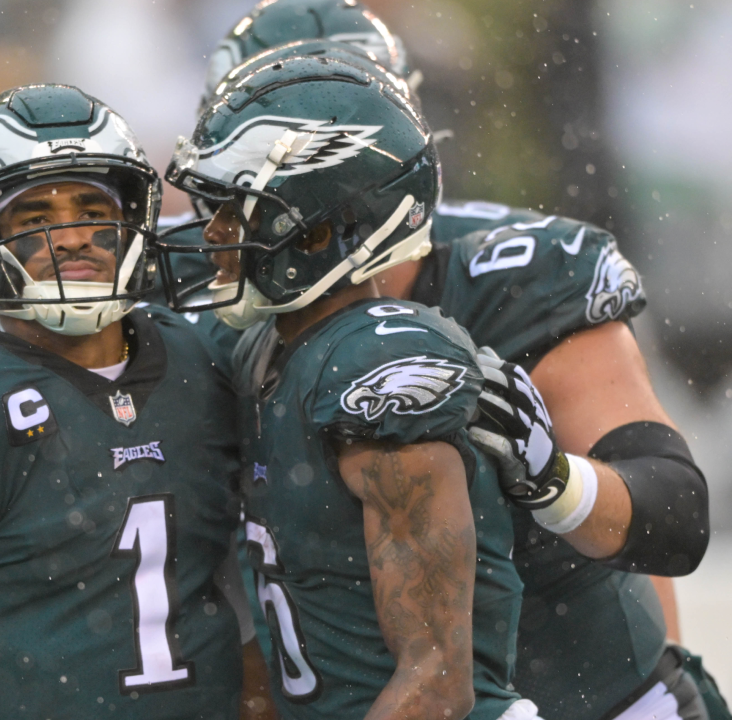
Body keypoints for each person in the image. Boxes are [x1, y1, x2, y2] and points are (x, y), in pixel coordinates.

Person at [160, 4, 724, 719]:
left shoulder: (523, 277)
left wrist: (557, 484)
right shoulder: (210, 286)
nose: (213, 227)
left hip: (581, 693)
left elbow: (669, 519)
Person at [0, 84, 261, 720]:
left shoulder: (205, 361)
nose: (72, 238)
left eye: (93, 208)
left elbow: (253, 626)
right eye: (36, 218)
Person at [161, 51, 533, 720]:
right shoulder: (265, 350)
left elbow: (438, 684)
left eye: (235, 210)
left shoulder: (376, 367)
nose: (210, 233)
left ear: (319, 228)